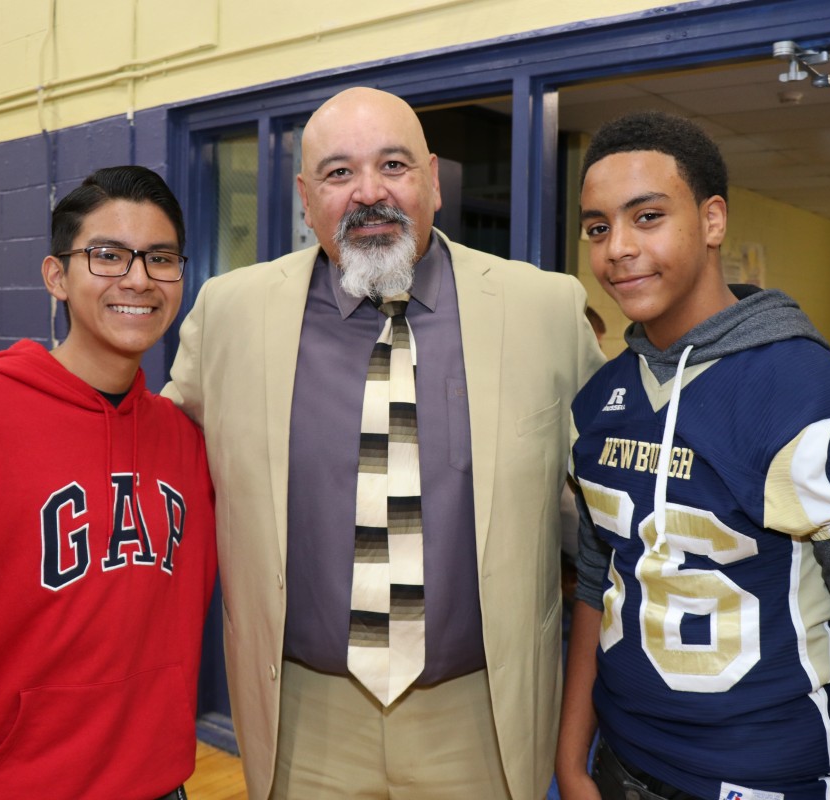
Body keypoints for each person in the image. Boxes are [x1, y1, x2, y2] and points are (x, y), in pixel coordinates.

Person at [164, 86, 606, 800]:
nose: (370, 193)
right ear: (306, 199)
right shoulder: (230, 314)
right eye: (339, 174)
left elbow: (608, 505)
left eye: (393, 165)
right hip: (305, 719)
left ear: (432, 179)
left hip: (481, 718)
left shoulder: (543, 310)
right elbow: (154, 465)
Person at [555, 111, 830, 800]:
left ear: (711, 221)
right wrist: (569, 760)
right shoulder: (602, 398)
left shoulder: (814, 400)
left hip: (762, 777)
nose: (616, 248)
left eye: (646, 217)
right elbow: (597, 582)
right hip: (620, 760)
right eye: (597, 227)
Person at [0, 166, 217, 800]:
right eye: (107, 255)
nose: (137, 278)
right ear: (57, 276)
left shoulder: (186, 440)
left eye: (160, 259)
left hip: (163, 786)